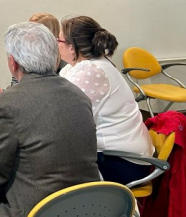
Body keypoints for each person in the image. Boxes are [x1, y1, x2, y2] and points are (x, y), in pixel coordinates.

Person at [0, 22, 99, 217]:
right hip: (88, 207)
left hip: (37, 209)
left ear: (13, 62)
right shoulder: (80, 96)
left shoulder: (6, 103)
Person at [58, 16, 153, 185]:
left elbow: (61, 115)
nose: (55, 44)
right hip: (124, 154)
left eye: (58, 40)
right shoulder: (91, 64)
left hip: (123, 162)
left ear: (72, 47)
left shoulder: (90, 70)